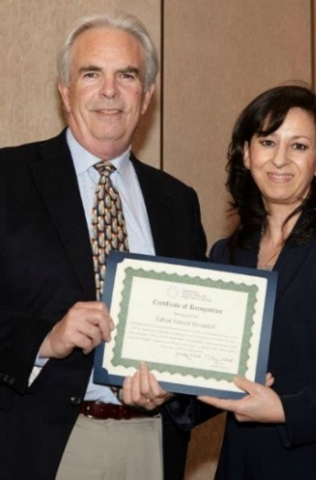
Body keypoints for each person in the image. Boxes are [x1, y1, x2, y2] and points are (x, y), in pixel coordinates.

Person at [0, 12, 206, 480]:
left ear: (147, 95)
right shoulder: (7, 180)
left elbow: (194, 338)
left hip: (151, 444)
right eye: (91, 73)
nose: (109, 90)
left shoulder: (178, 201)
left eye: (127, 76)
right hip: (40, 445)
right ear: (65, 90)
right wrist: (45, 340)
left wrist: (173, 387)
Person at [197, 85, 316, 479]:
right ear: (246, 154)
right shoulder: (225, 254)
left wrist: (285, 410)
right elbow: (209, 368)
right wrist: (158, 386)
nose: (280, 159)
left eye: (298, 146)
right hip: (239, 465)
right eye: (267, 142)